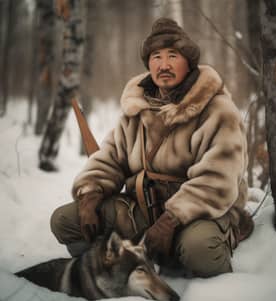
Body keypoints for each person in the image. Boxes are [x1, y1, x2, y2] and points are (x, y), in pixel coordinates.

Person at [51, 17, 253, 278]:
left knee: (199, 251)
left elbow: (218, 180)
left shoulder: (218, 111)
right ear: (148, 63)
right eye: (156, 57)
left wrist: (170, 221)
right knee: (66, 221)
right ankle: (109, 271)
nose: (164, 65)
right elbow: (111, 158)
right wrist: (90, 195)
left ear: (188, 62)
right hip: (144, 211)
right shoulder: (137, 109)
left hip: (198, 213)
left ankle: (223, 241)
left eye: (173, 56)